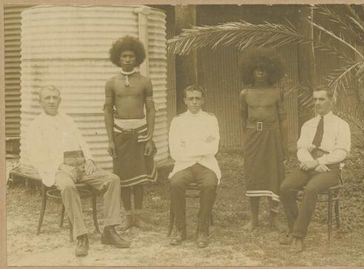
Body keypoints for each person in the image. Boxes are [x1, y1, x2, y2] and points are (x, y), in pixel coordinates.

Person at [26, 85, 130, 257]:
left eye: (55, 97)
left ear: (59, 100)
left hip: (81, 165)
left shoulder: (67, 119)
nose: (52, 101)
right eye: (47, 98)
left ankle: (109, 231)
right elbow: (35, 155)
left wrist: (89, 159)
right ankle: (81, 236)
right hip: (58, 168)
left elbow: (82, 141)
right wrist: (59, 166)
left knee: (113, 179)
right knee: (67, 187)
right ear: (40, 102)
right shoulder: (36, 126)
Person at [280, 86, 351, 252]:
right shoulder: (308, 125)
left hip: (330, 169)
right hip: (309, 165)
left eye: (321, 99)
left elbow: (341, 152)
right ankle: (294, 227)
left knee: (311, 189)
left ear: (331, 101)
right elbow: (301, 148)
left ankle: (298, 237)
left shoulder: (341, 125)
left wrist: (319, 162)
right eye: (315, 99)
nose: (317, 103)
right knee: (285, 187)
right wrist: (310, 162)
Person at [104, 35, 157, 230]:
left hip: (141, 133)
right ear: (118, 58)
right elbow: (107, 110)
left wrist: (150, 137)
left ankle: (138, 216)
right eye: (124, 56)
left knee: (140, 178)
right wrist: (110, 140)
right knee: (123, 178)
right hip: (120, 134)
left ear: (138, 58)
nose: (127, 59)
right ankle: (127, 216)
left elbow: (151, 110)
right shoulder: (111, 83)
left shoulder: (145, 81)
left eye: (131, 56)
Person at [239, 48, 287, 231]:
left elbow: (283, 120)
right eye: (256, 68)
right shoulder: (244, 94)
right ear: (250, 71)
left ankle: (274, 219)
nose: (259, 72)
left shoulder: (277, 92)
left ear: (270, 71)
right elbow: (242, 119)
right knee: (253, 176)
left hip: (272, 135)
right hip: (253, 136)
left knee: (274, 176)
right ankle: (254, 219)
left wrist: (284, 145)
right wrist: (244, 143)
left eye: (263, 69)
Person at [168, 85, 221, 248]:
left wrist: (190, 146)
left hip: (206, 164)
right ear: (185, 101)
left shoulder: (211, 119)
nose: (194, 102)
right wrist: (200, 147)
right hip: (184, 164)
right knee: (176, 183)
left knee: (210, 184)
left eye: (198, 98)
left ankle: (202, 230)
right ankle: (180, 229)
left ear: (203, 100)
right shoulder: (177, 121)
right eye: (191, 98)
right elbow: (174, 149)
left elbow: (213, 147)